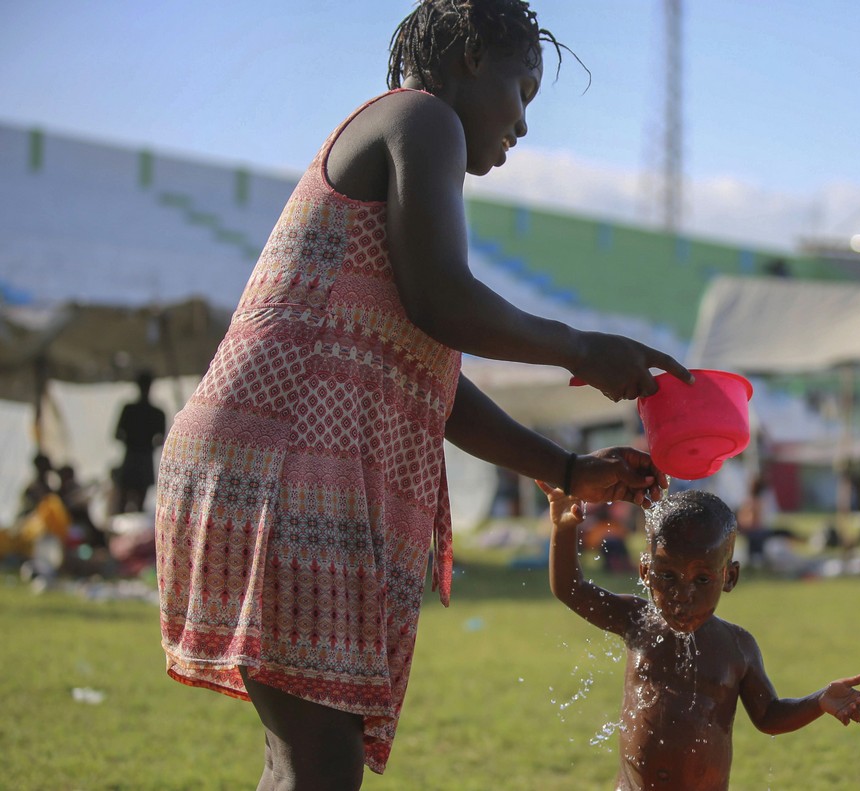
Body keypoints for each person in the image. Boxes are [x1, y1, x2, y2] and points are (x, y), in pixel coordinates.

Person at [154, 2, 692, 787]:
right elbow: (445, 300)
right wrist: (580, 347)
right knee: (319, 763)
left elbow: (431, 373)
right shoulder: (423, 118)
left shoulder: (410, 135)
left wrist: (567, 470)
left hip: (261, 456)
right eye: (524, 92)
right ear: (472, 56)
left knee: (305, 758)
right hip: (283, 465)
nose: (523, 127)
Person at [541, 483, 860, 790]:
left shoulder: (737, 647)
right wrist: (564, 524)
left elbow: (769, 715)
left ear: (729, 577)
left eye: (701, 580)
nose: (682, 595)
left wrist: (819, 700)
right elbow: (572, 589)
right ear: (645, 572)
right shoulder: (637, 621)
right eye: (667, 575)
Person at [114, 370, 166, 513]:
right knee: (128, 502)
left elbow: (117, 435)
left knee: (126, 503)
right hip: (140, 459)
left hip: (136, 458)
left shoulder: (132, 410)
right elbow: (161, 440)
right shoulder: (155, 413)